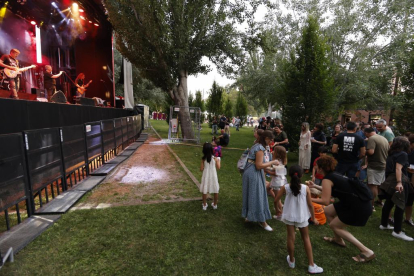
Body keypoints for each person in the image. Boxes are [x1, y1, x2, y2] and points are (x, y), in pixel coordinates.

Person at [310, 155, 375, 263]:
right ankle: (338, 239)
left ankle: (366, 251)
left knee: (335, 226)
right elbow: (329, 190)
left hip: (358, 207)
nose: (316, 168)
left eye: (317, 166)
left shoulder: (327, 179)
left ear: (321, 168)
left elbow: (325, 201)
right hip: (356, 202)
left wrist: (308, 199)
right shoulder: (333, 175)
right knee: (327, 211)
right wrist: (315, 186)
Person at [274, 165, 323, 274]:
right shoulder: (306, 188)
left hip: (289, 216)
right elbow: (310, 205)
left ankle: (291, 261)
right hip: (302, 217)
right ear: (301, 175)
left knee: (290, 238)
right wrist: (313, 218)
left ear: (289, 175)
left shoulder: (285, 187)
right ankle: (311, 265)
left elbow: (276, 200)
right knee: (306, 238)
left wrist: (278, 210)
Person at [242, 130, 279, 231]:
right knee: (258, 196)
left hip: (250, 172)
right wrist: (273, 162)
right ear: (266, 139)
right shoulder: (260, 148)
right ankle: (262, 221)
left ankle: (250, 216)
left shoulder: (256, 145)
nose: (271, 142)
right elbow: (258, 166)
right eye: (271, 140)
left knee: (251, 195)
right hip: (254, 173)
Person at [379, 136, 413, 241]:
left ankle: (384, 224)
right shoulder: (403, 154)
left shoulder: (392, 153)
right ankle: (397, 231)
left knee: (389, 202)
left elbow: (396, 167)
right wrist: (399, 183)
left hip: (390, 180)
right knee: (400, 205)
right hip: (399, 181)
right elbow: (398, 168)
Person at [364, 127, 389, 211]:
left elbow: (371, 152)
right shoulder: (383, 138)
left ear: (367, 133)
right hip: (384, 164)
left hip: (375, 165)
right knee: (379, 184)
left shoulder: (372, 138)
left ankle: (371, 205)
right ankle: (380, 201)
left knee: (372, 185)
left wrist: (364, 151)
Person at [265, 145, 287, 220]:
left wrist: (266, 171)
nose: (272, 151)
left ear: (277, 153)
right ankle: (278, 206)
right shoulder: (279, 160)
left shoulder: (277, 162)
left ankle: (280, 214)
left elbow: (276, 173)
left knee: (278, 199)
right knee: (268, 188)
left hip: (277, 181)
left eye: (274, 150)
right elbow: (274, 169)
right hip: (277, 180)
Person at [200, 142, 220, 210]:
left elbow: (201, 169)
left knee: (205, 189)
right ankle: (215, 204)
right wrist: (218, 161)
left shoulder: (203, 159)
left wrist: (202, 162)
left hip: (206, 175)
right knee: (215, 189)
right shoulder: (215, 158)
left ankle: (204, 205)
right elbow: (218, 167)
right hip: (213, 175)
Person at [405, 134, 414, 226]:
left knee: (409, 201)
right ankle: (407, 218)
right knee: (408, 200)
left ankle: (408, 218)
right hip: (408, 178)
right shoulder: (407, 152)